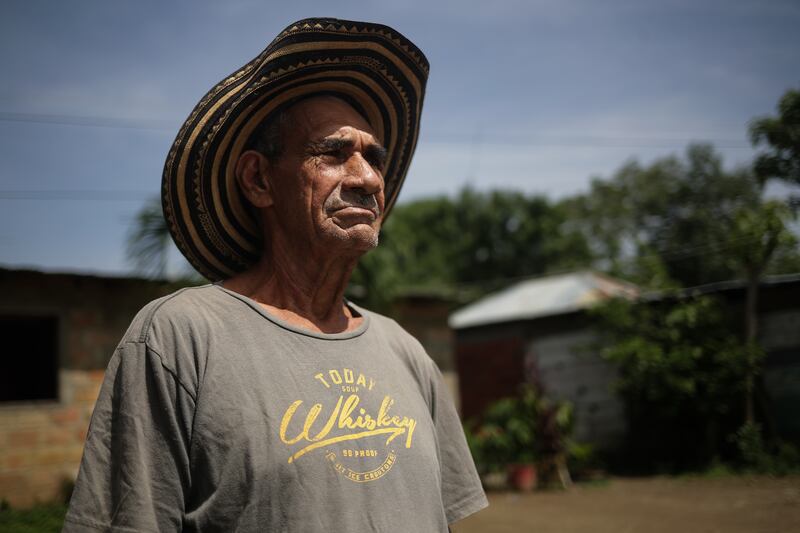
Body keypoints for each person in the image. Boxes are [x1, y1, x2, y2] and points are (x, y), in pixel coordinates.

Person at [63, 17, 487, 533]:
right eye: (333, 153)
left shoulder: (407, 353)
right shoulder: (180, 338)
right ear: (259, 179)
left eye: (374, 158)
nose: (368, 178)